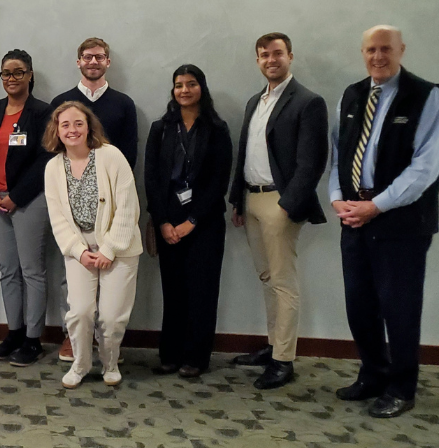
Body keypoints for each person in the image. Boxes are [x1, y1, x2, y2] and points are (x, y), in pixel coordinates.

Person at [329, 25, 439, 418]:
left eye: (386, 49)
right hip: (354, 218)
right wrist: (338, 199)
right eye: (371, 49)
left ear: (401, 50)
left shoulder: (428, 96)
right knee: (360, 305)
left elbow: (425, 168)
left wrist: (377, 206)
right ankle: (373, 374)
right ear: (362, 52)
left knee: (400, 308)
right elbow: (339, 153)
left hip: (402, 223)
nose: (378, 56)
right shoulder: (352, 94)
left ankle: (401, 387)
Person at [227, 32, 329, 390]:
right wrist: (238, 200)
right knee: (267, 278)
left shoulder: (307, 102)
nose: (271, 60)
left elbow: (312, 162)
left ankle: (284, 361)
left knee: (283, 282)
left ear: (290, 56)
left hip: (280, 202)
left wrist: (289, 205)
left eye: (277, 53)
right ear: (257, 61)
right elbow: (245, 154)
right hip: (252, 198)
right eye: (264, 55)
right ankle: (273, 347)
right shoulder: (256, 101)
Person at [50, 37, 138, 362]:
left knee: (109, 270)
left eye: (99, 57)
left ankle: (105, 340)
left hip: (112, 204)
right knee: (72, 271)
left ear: (108, 62)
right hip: (73, 204)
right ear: (78, 62)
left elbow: (130, 157)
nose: (93, 61)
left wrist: (117, 198)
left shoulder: (123, 104)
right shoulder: (61, 102)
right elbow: (53, 151)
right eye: (87, 57)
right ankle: (73, 337)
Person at [43, 101, 141, 389]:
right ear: (57, 131)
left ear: (89, 127)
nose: (72, 130)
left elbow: (127, 208)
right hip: (79, 249)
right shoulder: (52, 168)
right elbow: (57, 218)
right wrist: (80, 252)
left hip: (118, 246)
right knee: (81, 312)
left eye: (78, 123)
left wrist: (108, 249)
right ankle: (81, 363)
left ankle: (110, 364)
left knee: (111, 318)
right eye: (65, 125)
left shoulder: (111, 156)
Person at [144, 65, 233, 378]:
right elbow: (152, 178)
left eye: (191, 84)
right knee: (174, 291)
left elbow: (219, 181)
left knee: (202, 292)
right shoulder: (161, 128)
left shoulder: (217, 128)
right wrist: (163, 221)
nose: (184, 90)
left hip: (204, 222)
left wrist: (192, 220)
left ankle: (195, 358)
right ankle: (170, 355)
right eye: (179, 85)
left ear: (201, 88)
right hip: (168, 222)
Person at [0, 49, 54, 366]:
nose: (11, 79)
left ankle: (32, 339)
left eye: (18, 72)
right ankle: (13, 331)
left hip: (29, 201)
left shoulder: (41, 111)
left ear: (30, 75)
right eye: (6, 73)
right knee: (8, 271)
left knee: (31, 271)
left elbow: (46, 157)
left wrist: (17, 196)